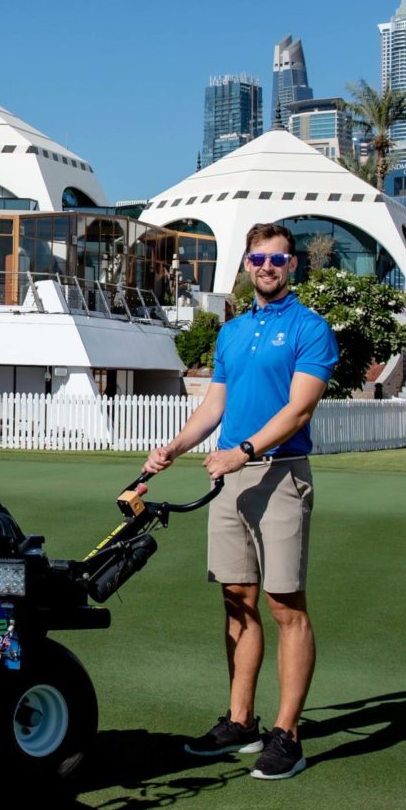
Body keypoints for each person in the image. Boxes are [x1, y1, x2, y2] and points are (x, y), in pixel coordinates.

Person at [144, 222, 338, 781]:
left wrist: (243, 451)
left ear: (293, 265)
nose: (267, 267)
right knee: (237, 600)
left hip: (279, 473)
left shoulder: (310, 328)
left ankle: (288, 735)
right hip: (230, 480)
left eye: (277, 259)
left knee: (286, 607)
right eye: (258, 258)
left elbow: (299, 411)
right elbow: (214, 406)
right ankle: (240, 720)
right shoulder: (233, 332)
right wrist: (176, 447)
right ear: (247, 265)